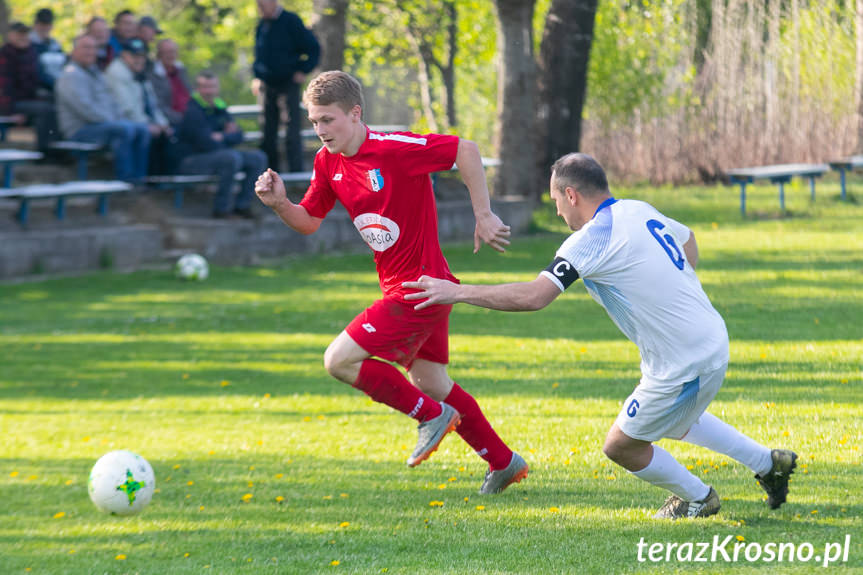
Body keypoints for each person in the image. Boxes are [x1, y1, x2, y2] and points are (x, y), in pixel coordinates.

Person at [403, 153, 799, 517]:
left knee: (621, 446)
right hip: (711, 339)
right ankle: (769, 464)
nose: (558, 213)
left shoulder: (591, 238)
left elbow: (536, 296)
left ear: (571, 195)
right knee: (677, 417)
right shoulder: (638, 209)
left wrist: (457, 292)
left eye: (557, 202)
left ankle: (698, 498)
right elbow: (687, 239)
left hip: (684, 361)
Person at [253, 71, 528, 494]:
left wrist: (484, 214)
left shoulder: (394, 149)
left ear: (355, 113)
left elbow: (465, 150)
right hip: (415, 288)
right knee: (433, 383)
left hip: (419, 290)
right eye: (314, 122)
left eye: (328, 120)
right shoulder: (327, 162)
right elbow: (308, 221)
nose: (320, 131)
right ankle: (503, 461)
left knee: (338, 360)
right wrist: (280, 204)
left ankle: (429, 416)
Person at [55, 35, 151, 182]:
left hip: (104, 125)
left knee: (142, 129)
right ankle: (126, 180)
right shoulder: (70, 74)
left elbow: (112, 102)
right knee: (125, 129)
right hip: (81, 130)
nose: (91, 52)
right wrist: (114, 121)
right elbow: (86, 110)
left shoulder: (97, 74)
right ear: (74, 51)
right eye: (86, 47)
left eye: (94, 48)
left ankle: (140, 179)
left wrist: (118, 118)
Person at [176, 71, 267, 218]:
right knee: (230, 158)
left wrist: (221, 136)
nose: (209, 91)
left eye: (212, 86)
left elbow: (239, 135)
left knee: (258, 158)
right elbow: (205, 143)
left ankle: (242, 206)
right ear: (197, 89)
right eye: (205, 87)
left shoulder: (219, 107)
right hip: (191, 160)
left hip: (217, 154)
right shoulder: (192, 110)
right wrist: (226, 135)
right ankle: (221, 209)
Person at [253, 0, 320, 172]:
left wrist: (302, 71)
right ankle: (270, 172)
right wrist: (257, 76)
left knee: (291, 129)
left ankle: (295, 173)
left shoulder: (291, 21)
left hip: (288, 83)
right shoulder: (262, 24)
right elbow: (259, 55)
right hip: (267, 85)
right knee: (268, 131)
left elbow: (314, 49)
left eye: (262, 4)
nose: (260, 7)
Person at [105, 38, 174, 175]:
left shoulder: (140, 72)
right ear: (124, 55)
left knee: (172, 133)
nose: (139, 59)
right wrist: (149, 124)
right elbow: (127, 108)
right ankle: (136, 180)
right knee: (144, 132)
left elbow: (153, 105)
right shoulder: (116, 72)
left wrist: (163, 124)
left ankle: (162, 182)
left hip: (142, 120)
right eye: (135, 55)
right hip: (123, 121)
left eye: (142, 56)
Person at [0, 21, 56, 151]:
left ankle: (58, 146)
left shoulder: (31, 53)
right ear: (10, 35)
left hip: (28, 99)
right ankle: (45, 151)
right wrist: (10, 112)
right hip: (11, 104)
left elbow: (40, 79)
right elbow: (3, 88)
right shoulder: (5, 55)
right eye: (19, 33)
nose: (23, 37)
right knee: (46, 110)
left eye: (25, 33)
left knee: (56, 102)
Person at [148, 38, 191, 128]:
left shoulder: (181, 70)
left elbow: (192, 93)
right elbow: (160, 106)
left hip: (192, 114)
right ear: (159, 55)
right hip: (175, 121)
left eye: (173, 52)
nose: (171, 55)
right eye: (166, 52)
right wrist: (183, 118)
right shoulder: (154, 76)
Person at [29, 8, 66, 94]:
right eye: (42, 24)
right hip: (41, 90)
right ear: (35, 24)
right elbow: (36, 72)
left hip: (60, 87)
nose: (45, 27)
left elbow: (64, 65)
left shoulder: (55, 44)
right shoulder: (29, 45)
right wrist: (57, 85)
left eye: (48, 24)